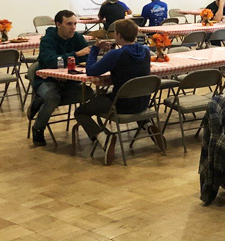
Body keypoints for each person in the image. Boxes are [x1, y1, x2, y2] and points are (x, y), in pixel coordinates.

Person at [75, 20, 162, 163]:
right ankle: (148, 125)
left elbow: (91, 70)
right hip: (143, 102)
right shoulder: (146, 51)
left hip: (121, 105)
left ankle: (105, 138)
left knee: (81, 112)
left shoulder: (116, 54)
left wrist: (96, 49)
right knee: (131, 94)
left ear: (118, 35)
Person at [28, 10, 91, 146]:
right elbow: (49, 61)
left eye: (75, 23)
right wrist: (76, 54)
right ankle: (38, 128)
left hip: (70, 81)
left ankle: (93, 130)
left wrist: (74, 56)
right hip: (46, 80)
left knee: (90, 93)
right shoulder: (47, 40)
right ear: (58, 24)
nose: (73, 27)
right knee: (53, 97)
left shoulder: (77, 38)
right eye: (69, 24)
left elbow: (87, 56)